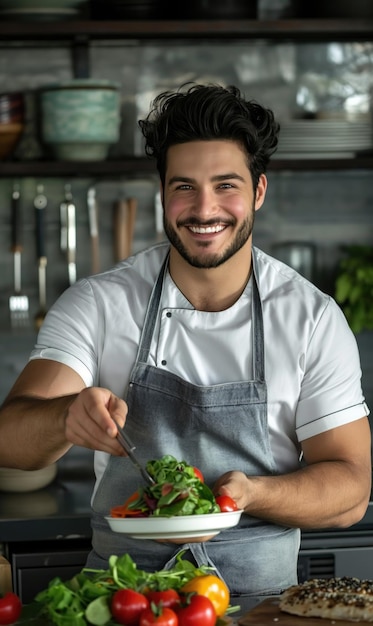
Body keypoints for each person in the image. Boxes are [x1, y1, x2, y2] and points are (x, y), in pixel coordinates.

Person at [0, 83, 371, 597]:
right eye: (184, 187)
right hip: (119, 602)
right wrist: (65, 416)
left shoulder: (311, 318)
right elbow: (11, 440)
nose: (204, 208)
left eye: (226, 185)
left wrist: (249, 494)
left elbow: (351, 490)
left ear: (258, 192)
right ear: (162, 193)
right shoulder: (100, 303)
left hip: (262, 608)